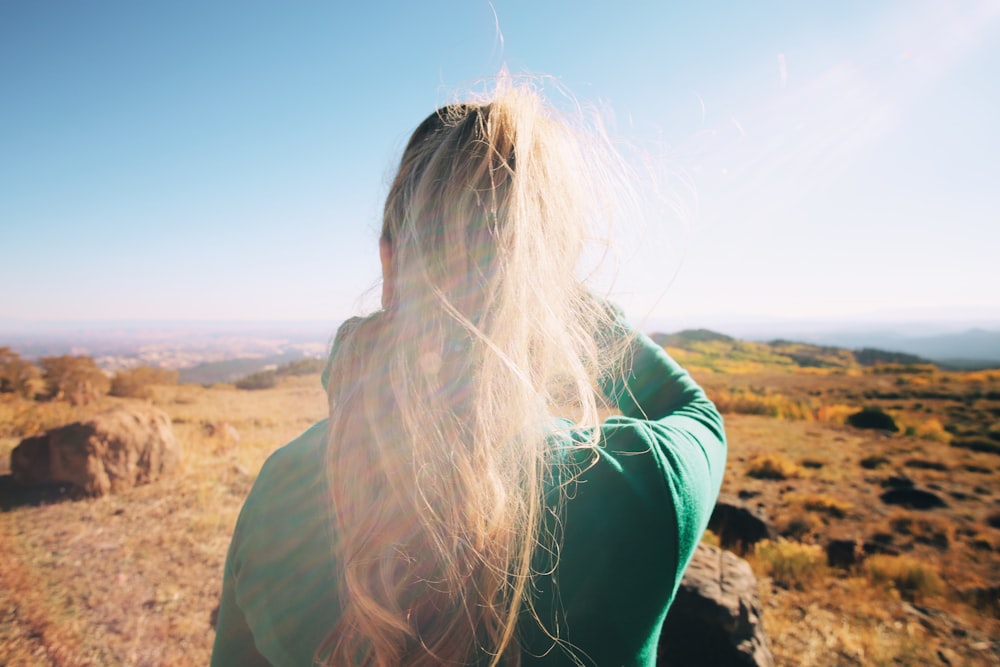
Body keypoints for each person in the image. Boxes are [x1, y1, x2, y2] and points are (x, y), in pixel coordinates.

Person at [211, 80, 726, 667]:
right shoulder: (640, 489)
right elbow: (697, 416)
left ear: (388, 263)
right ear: (553, 282)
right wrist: (563, 299)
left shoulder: (282, 489)